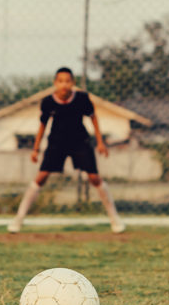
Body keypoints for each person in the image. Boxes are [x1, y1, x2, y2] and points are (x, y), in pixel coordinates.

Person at [8, 67, 124, 234]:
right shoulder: (48, 102)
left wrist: (100, 142)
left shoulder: (82, 99)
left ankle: (115, 219)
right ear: (55, 83)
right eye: (60, 81)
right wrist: (36, 149)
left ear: (73, 83)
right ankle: (18, 219)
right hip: (57, 143)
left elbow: (93, 117)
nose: (64, 84)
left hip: (80, 142)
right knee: (41, 177)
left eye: (67, 81)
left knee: (94, 177)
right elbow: (42, 125)